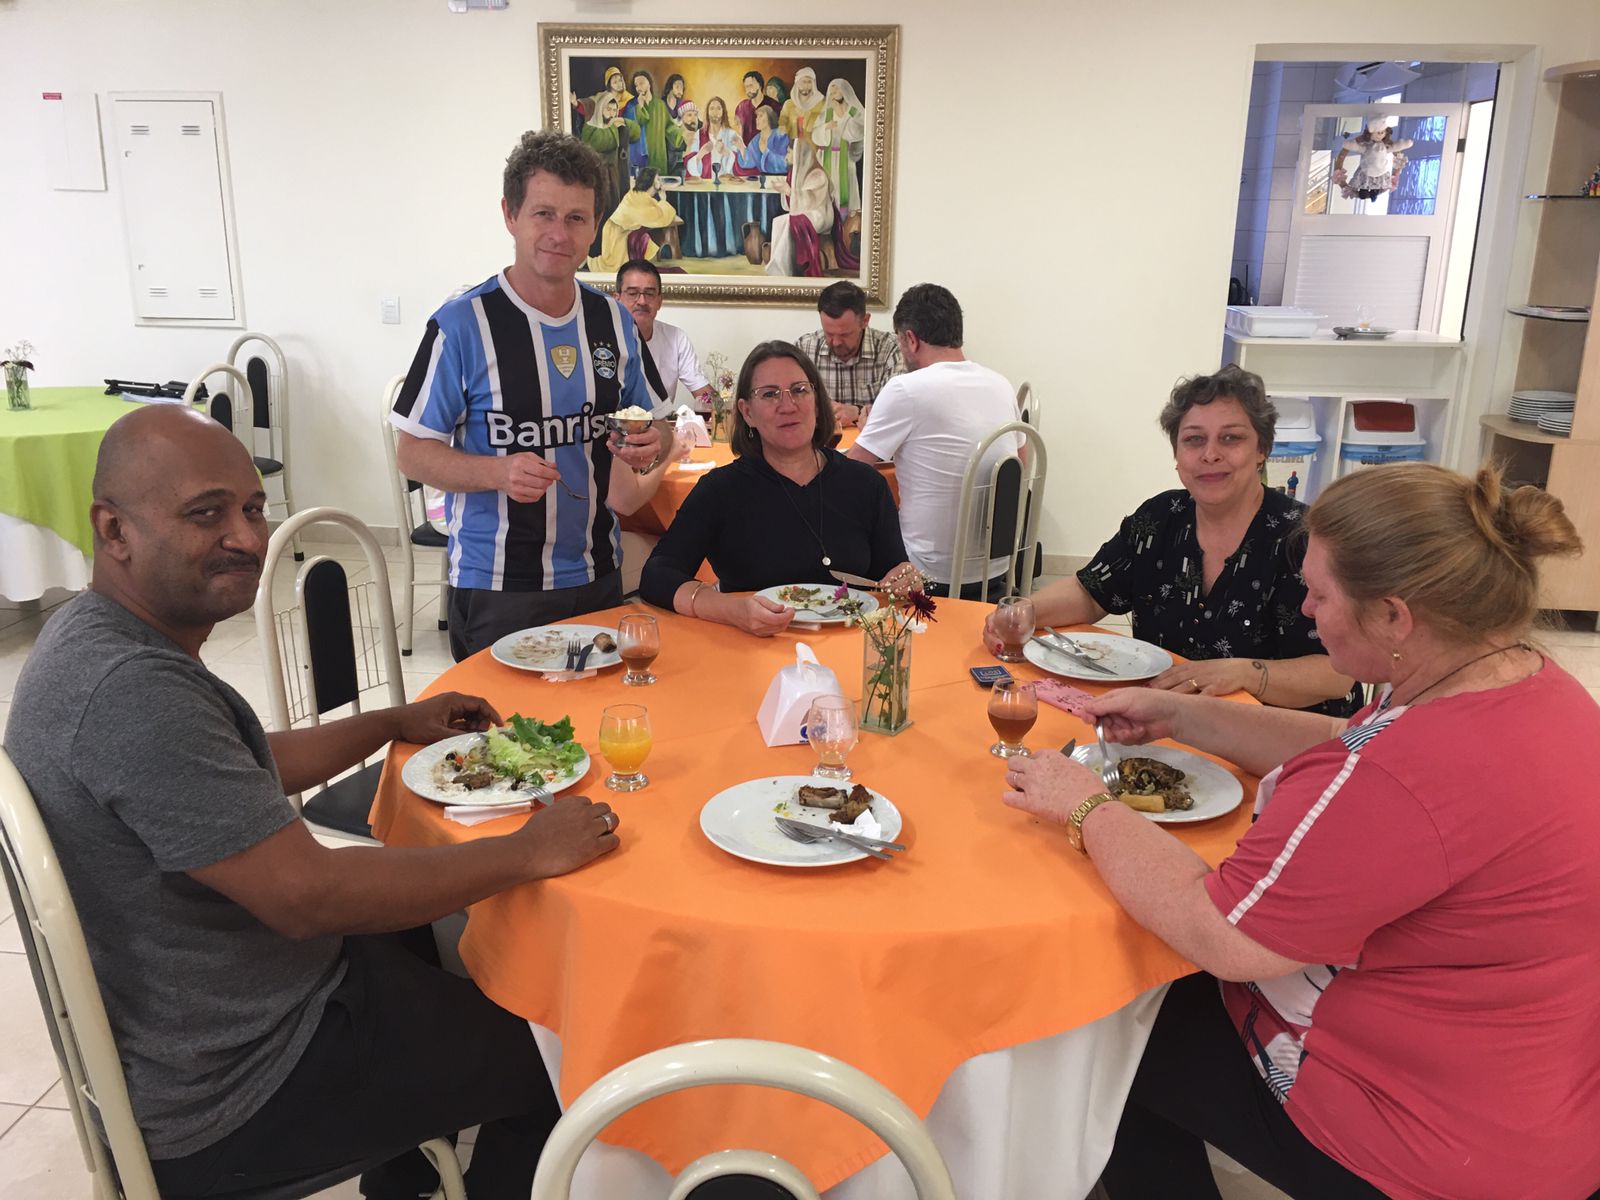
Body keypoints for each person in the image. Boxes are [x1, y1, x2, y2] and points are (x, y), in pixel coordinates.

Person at [2, 404, 624, 1200]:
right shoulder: (134, 692)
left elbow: (239, 765)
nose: (246, 537)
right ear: (113, 530)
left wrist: (392, 722)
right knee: (563, 1054)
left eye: (252, 508)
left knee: (421, 935)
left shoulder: (97, 637)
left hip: (208, 1011)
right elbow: (308, 896)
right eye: (206, 514)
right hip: (236, 1084)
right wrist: (529, 850)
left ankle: (401, 1177)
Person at [1001, 463, 1600, 1200]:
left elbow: (1224, 934)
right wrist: (1185, 716)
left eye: (1319, 594)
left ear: (1394, 617)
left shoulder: (1399, 776)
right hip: (1532, 1092)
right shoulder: (1518, 681)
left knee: (1101, 1021)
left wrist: (1087, 807)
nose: (1307, 612)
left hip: (1426, 1135)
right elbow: (1345, 743)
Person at [391, 131, 670, 661]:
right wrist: (498, 472)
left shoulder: (614, 320)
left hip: (597, 573)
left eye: (576, 218)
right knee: (506, 719)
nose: (560, 234)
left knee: (599, 713)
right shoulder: (461, 324)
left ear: (595, 226)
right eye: (544, 214)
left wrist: (653, 443)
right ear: (510, 215)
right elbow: (412, 452)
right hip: (498, 584)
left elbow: (660, 423)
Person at [983, 365, 1360, 717]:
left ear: (1262, 449)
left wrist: (1243, 672)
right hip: (1175, 723)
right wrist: (1023, 612)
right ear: (1177, 455)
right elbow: (1091, 593)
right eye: (1194, 440)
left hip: (1288, 739)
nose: (1210, 455)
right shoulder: (1160, 518)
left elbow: (1337, 673)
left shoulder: (1305, 538)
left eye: (1231, 438)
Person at [639, 341, 911, 637]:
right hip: (752, 648)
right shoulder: (722, 490)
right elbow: (657, 576)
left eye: (799, 390)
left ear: (817, 402)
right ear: (747, 412)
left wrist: (904, 579)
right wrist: (730, 610)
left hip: (850, 645)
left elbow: (893, 571)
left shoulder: (865, 483)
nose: (788, 405)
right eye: (769, 394)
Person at [848, 284, 1023, 597]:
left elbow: (850, 471)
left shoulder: (906, 389)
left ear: (911, 339)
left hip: (925, 571)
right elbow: (1021, 465)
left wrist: (867, 431)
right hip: (996, 568)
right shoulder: (1001, 385)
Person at [795, 280, 904, 428]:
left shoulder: (891, 349)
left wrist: (857, 411)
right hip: (821, 439)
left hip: (872, 440)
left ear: (865, 321)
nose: (836, 342)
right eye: (829, 334)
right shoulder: (805, 348)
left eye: (845, 334)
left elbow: (898, 409)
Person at [616, 258, 713, 411]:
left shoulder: (676, 338)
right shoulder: (601, 338)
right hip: (613, 425)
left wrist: (724, 408)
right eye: (633, 293)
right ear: (617, 299)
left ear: (659, 301)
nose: (642, 301)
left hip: (660, 423)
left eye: (649, 294)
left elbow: (704, 393)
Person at [590, 167, 679, 274]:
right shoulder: (640, 200)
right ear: (651, 182)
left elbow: (654, 210)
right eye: (658, 179)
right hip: (616, 234)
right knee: (613, 266)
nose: (660, 181)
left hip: (617, 230)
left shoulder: (639, 195)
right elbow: (660, 218)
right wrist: (664, 200)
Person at [577, 92, 639, 238]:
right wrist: (614, 127)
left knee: (616, 213)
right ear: (600, 108)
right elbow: (603, 142)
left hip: (615, 177)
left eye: (614, 110)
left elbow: (636, 133)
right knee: (601, 213)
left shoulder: (614, 125)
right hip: (597, 179)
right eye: (608, 109)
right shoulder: (590, 128)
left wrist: (623, 120)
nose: (611, 114)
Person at [763, 160, 834, 280]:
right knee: (778, 221)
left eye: (789, 152)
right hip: (805, 213)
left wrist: (789, 191)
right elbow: (789, 207)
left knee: (788, 221)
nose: (786, 157)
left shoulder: (817, 174)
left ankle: (782, 268)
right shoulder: (795, 173)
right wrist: (785, 191)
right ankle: (779, 266)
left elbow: (811, 203)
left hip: (819, 215)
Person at [811, 78, 865, 211]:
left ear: (845, 91)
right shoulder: (827, 113)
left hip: (845, 158)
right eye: (832, 89)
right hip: (826, 158)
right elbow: (815, 135)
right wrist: (825, 127)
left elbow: (862, 130)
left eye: (837, 88)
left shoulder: (853, 112)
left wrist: (847, 123)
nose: (834, 91)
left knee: (845, 191)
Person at [623, 69, 685, 175]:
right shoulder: (631, 105)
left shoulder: (660, 104)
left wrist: (683, 135)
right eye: (636, 85)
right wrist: (640, 106)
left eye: (641, 83)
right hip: (641, 157)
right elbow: (637, 125)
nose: (639, 87)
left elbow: (669, 127)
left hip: (659, 154)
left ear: (649, 83)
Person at [779, 67, 826, 183]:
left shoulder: (821, 103)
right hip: (794, 149)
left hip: (814, 150)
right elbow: (782, 125)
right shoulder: (789, 104)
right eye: (803, 82)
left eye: (809, 82)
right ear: (797, 83)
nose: (806, 86)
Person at [733, 104, 790, 177]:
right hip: (763, 178)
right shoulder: (755, 140)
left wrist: (766, 153)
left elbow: (787, 162)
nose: (757, 119)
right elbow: (750, 162)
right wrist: (741, 148)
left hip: (782, 177)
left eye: (761, 116)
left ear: (769, 118)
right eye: (757, 116)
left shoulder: (780, 135)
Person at [692, 95, 741, 180]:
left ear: (723, 112)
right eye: (712, 108)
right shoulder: (698, 135)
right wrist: (701, 153)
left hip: (726, 183)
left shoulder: (731, 134)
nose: (715, 112)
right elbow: (690, 167)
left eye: (718, 108)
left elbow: (741, 163)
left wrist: (727, 152)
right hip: (706, 184)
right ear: (707, 112)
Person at [734, 69, 781, 144]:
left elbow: (780, 133)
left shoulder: (774, 106)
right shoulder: (741, 107)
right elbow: (738, 131)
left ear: (760, 85)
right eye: (746, 87)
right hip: (747, 149)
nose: (748, 89)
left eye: (751, 85)